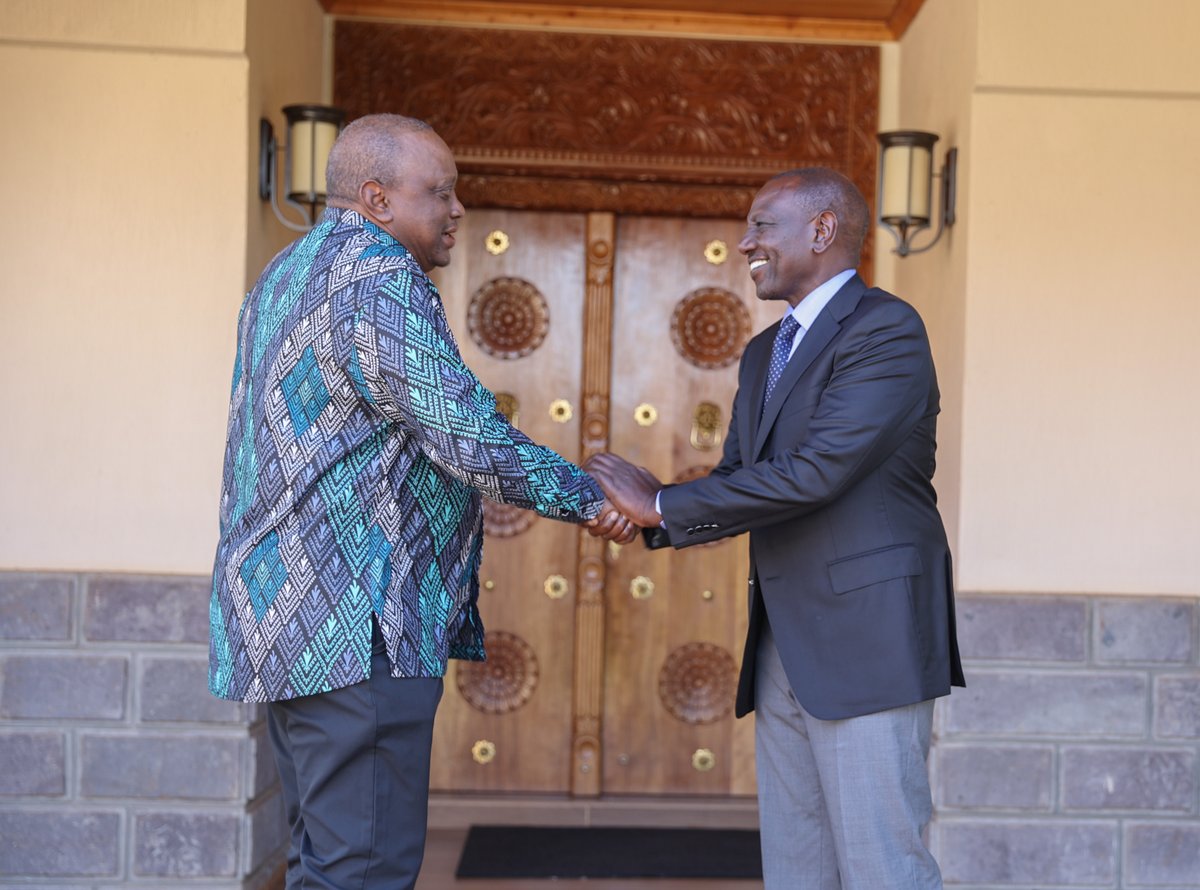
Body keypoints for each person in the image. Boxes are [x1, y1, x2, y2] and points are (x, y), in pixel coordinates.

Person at [208, 113, 634, 889]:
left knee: (324, 865)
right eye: (440, 192)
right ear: (376, 198)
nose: (457, 210)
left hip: (285, 623)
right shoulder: (379, 281)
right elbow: (467, 437)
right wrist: (593, 500)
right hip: (355, 626)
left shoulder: (284, 274)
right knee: (362, 872)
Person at [587, 167, 964, 889]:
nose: (744, 241)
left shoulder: (886, 329)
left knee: (882, 867)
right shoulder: (767, 351)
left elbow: (819, 471)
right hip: (784, 644)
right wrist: (647, 521)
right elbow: (738, 479)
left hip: (868, 644)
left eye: (762, 225)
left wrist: (659, 504)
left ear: (822, 230)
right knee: (798, 867)